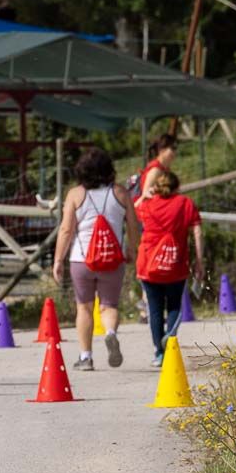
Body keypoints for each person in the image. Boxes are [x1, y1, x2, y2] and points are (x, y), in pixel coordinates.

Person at [52, 148, 139, 370]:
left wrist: (58, 260)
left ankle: (86, 357)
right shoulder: (121, 193)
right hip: (113, 259)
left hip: (82, 261)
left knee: (84, 308)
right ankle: (110, 333)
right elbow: (132, 226)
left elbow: (65, 230)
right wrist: (132, 250)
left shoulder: (75, 194)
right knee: (109, 306)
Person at [135, 170, 204, 367]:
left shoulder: (148, 204)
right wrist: (199, 260)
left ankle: (158, 352)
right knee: (175, 306)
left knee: (155, 310)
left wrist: (142, 197)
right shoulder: (185, 203)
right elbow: (197, 231)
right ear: (177, 187)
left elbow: (131, 213)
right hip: (175, 264)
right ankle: (170, 336)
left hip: (148, 266)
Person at [137, 133, 178, 199]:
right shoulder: (156, 170)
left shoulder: (164, 168)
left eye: (175, 148)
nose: (175, 152)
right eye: (173, 148)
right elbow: (144, 197)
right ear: (161, 150)